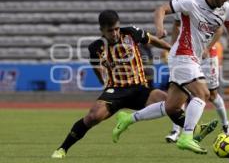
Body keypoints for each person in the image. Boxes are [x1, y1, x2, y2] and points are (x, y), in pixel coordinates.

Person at [112, 0, 229, 154]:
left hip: (193, 58)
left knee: (172, 106)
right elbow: (161, 9)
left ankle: (127, 119)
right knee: (203, 94)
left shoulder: (226, 9)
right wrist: (160, 29)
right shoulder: (191, 2)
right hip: (182, 55)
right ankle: (186, 136)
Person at [51, 9, 172, 158]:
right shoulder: (95, 48)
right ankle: (62, 149)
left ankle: (189, 133)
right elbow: (96, 67)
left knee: (169, 102)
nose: (114, 33)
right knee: (93, 117)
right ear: (102, 30)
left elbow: (152, 40)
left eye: (116, 29)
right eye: (110, 31)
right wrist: (104, 83)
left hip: (140, 88)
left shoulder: (131, 33)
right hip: (115, 90)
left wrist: (170, 48)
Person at [165, 0, 218, 143]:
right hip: (183, 55)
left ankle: (130, 119)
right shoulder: (182, 4)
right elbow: (176, 26)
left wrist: (207, 49)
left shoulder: (202, 4)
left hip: (198, 56)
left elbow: (219, 29)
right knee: (197, 94)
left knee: (178, 100)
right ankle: (180, 133)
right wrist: (169, 47)